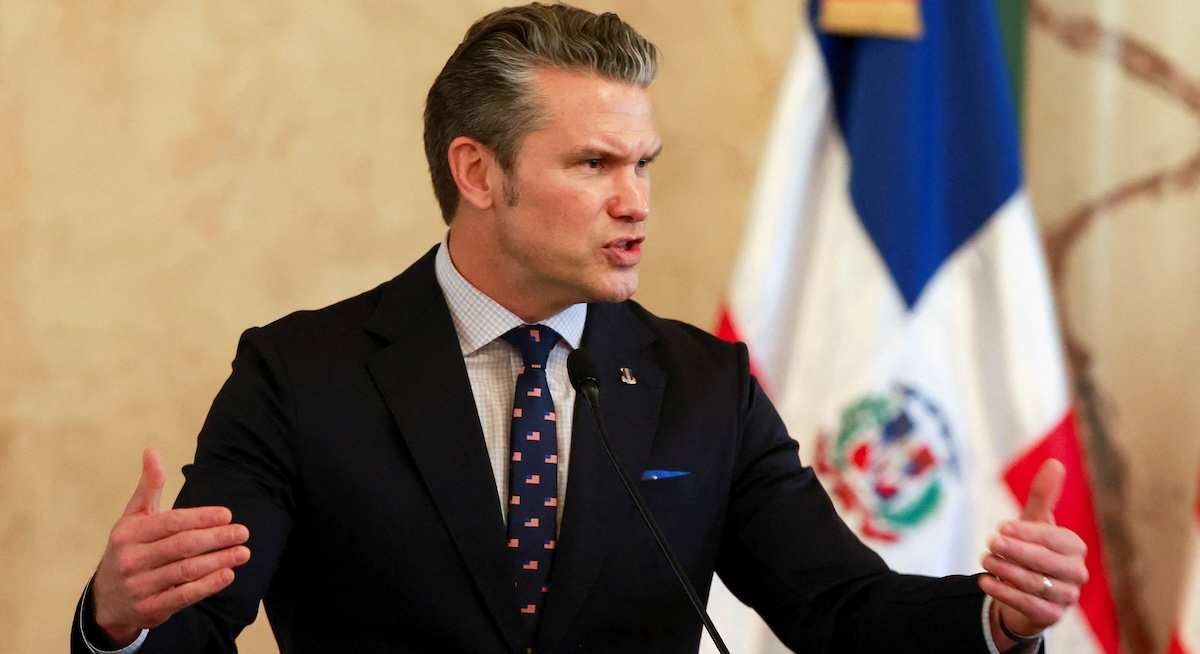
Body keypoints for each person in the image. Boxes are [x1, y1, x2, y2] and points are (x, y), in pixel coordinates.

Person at [71, 4, 1088, 653]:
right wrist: (118, 623)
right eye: (595, 165)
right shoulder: (302, 375)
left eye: (644, 165)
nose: (636, 201)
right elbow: (192, 626)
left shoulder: (705, 385)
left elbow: (843, 612)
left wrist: (997, 619)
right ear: (479, 174)